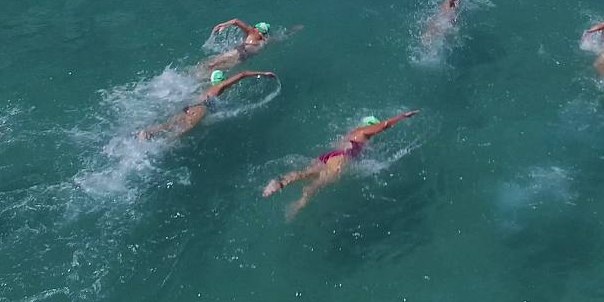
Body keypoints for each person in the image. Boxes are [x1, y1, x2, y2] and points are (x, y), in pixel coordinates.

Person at [262, 112, 418, 219]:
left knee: (306, 173)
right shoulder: (363, 133)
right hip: (340, 159)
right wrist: (401, 117)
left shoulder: (352, 133)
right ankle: (299, 204)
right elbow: (384, 125)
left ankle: (281, 182)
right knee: (318, 185)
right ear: (370, 127)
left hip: (328, 156)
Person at [137, 70, 276, 142]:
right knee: (185, 129)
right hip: (199, 108)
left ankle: (148, 133)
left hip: (189, 106)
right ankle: (164, 144)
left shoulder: (209, 88)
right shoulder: (220, 87)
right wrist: (263, 73)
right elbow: (242, 75)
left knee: (170, 123)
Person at [200, 19, 274, 74]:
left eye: (255, 27)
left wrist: (222, 25)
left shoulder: (253, 32)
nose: (253, 27)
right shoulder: (264, 40)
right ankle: (202, 77)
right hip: (242, 59)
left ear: (257, 29)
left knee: (211, 62)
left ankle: (198, 72)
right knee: (219, 68)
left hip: (238, 52)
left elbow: (236, 21)